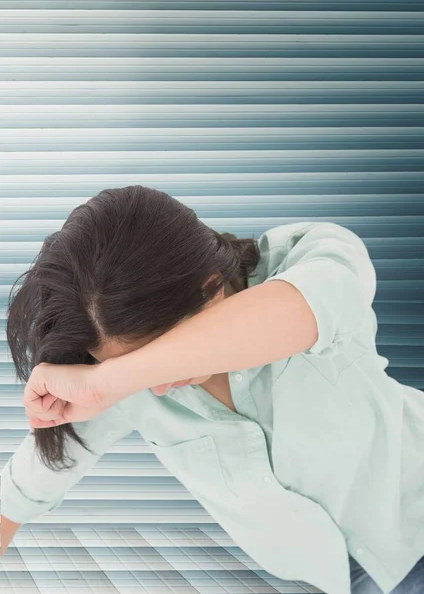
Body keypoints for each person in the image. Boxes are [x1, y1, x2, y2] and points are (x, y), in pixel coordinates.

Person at [1, 185, 424, 594]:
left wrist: (111, 379)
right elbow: (22, 488)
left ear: (211, 283)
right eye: (121, 365)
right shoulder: (113, 379)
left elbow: (305, 308)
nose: (156, 383)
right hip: (347, 577)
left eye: (153, 358)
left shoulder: (308, 253)